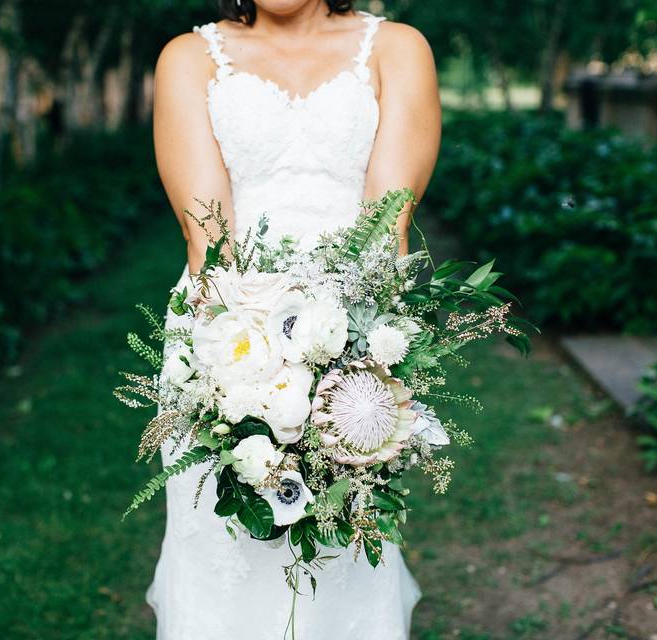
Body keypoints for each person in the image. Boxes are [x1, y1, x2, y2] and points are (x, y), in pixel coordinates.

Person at [148, 1, 441, 637]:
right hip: (224, 328)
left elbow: (387, 225)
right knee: (229, 544)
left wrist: (346, 357)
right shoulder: (189, 58)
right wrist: (249, 368)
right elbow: (208, 240)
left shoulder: (397, 49)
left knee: (342, 544)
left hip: (357, 325)